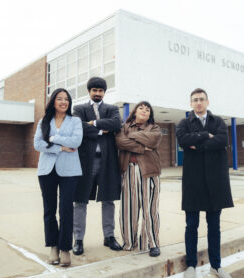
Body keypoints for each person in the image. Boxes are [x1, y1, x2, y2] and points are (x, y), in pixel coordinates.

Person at [176, 88, 234, 278]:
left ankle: (216, 265)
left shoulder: (218, 122)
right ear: (191, 103)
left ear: (207, 102)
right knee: (191, 225)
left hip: (214, 181)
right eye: (195, 100)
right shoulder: (184, 123)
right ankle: (191, 265)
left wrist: (198, 143)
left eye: (201, 99)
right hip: (193, 180)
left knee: (214, 226)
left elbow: (222, 141)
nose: (198, 103)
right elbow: (183, 140)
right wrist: (206, 136)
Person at [72, 77, 122, 255]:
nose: (97, 93)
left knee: (108, 199)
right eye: (94, 90)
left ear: (104, 92)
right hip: (86, 161)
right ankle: (78, 239)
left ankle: (109, 236)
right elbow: (78, 127)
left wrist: (92, 124)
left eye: (100, 90)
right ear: (89, 91)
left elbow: (116, 124)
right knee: (80, 200)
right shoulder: (79, 109)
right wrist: (102, 129)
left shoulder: (112, 108)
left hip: (107, 160)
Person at [34, 88, 83, 267]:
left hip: (69, 171)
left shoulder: (75, 121)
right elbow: (38, 144)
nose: (63, 102)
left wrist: (54, 137)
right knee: (49, 210)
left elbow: (77, 141)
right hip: (46, 171)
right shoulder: (43, 121)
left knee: (66, 210)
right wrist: (60, 147)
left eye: (67, 99)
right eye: (60, 99)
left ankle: (65, 249)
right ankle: (53, 246)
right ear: (53, 101)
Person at [116, 101, 162, 257]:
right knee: (128, 209)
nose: (144, 111)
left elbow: (154, 140)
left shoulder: (154, 128)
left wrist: (133, 136)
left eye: (148, 109)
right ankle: (129, 242)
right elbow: (120, 142)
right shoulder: (124, 127)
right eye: (141, 108)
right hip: (128, 170)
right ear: (135, 111)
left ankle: (152, 243)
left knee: (150, 210)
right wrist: (142, 147)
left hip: (149, 172)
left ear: (150, 115)